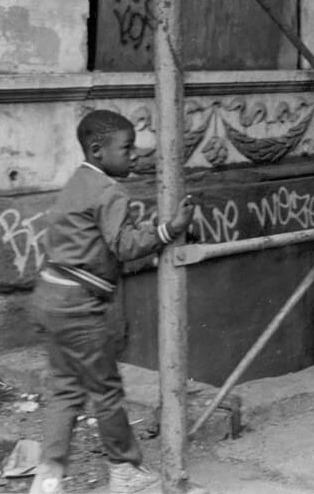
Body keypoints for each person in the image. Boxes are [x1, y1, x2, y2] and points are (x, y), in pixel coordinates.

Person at [29, 110, 194, 494]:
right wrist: (169, 229)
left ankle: (48, 477)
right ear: (98, 150)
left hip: (49, 296)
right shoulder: (109, 191)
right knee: (105, 391)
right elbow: (123, 245)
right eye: (128, 148)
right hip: (79, 305)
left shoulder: (79, 180)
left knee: (64, 388)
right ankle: (124, 470)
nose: (135, 155)